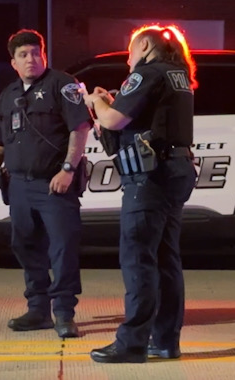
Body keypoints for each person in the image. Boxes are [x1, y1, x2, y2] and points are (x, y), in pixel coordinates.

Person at [81, 25, 198, 363]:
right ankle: (164, 341)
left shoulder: (148, 73)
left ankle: (131, 343)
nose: (128, 60)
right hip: (174, 171)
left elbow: (114, 120)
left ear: (144, 45)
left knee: (138, 260)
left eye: (129, 51)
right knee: (166, 260)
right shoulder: (178, 74)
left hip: (149, 178)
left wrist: (98, 101)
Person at [0, 29, 92, 338]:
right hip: (19, 187)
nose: (31, 59)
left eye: (35, 53)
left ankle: (64, 314)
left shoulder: (62, 84)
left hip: (54, 186)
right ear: (13, 62)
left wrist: (69, 168)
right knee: (26, 247)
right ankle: (38, 310)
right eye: (23, 55)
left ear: (43, 55)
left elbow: (80, 128)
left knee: (62, 249)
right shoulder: (8, 96)